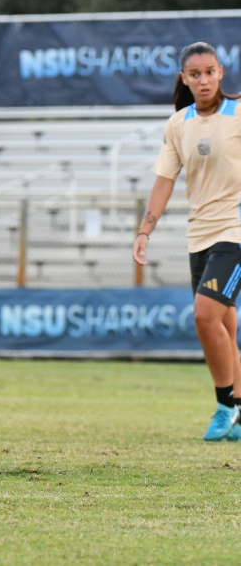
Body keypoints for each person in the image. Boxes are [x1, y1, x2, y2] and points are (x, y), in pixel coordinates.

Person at [133, 41, 241, 441]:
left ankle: (223, 405)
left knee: (204, 315)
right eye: (194, 74)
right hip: (199, 236)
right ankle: (240, 413)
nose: (203, 79)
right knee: (225, 325)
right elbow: (165, 180)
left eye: (210, 71)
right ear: (184, 79)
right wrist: (145, 230)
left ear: (220, 72)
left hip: (235, 233)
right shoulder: (178, 124)